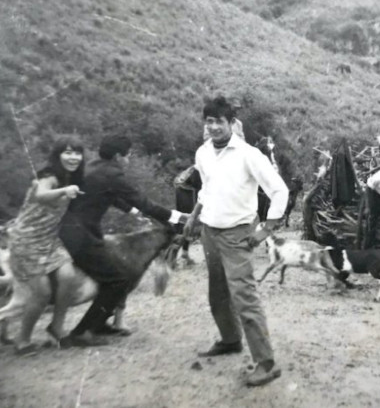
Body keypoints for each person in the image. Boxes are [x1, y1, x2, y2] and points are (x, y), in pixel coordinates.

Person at [184, 96, 288, 387]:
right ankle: (230, 340)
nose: (214, 127)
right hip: (209, 231)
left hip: (238, 234)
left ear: (231, 123)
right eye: (209, 121)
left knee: (244, 297)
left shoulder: (249, 154)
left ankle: (266, 363)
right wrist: (194, 215)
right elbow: (207, 188)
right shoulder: (203, 153)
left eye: (219, 121)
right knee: (217, 293)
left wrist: (266, 229)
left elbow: (279, 190)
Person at [58, 134, 186, 347]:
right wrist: (178, 217)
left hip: (74, 232)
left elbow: (112, 197)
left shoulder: (94, 166)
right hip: (81, 237)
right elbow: (145, 203)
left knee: (111, 275)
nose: (128, 159)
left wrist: (133, 211)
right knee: (118, 280)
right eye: (127, 155)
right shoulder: (112, 174)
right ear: (118, 156)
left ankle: (99, 324)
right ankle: (82, 332)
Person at [6, 136, 86, 354]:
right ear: (58, 155)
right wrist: (63, 191)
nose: (73, 157)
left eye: (77, 153)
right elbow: (41, 195)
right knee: (42, 293)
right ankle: (23, 340)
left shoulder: (72, 178)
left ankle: (56, 327)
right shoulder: (48, 176)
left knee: (68, 276)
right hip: (26, 240)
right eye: (68, 152)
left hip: (49, 239)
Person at [173, 164, 202, 266]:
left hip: (187, 185)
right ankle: (173, 257)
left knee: (186, 221)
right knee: (186, 221)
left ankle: (184, 254)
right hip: (186, 187)